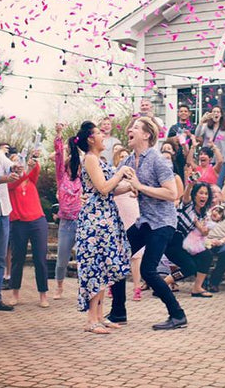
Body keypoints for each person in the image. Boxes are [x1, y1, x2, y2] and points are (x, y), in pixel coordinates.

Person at [108, 117, 187, 330]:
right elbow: (111, 188)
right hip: (143, 221)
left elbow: (172, 193)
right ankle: (118, 313)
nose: (129, 130)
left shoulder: (157, 160)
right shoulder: (127, 161)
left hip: (163, 223)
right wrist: (127, 187)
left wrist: (140, 187)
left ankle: (177, 315)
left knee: (148, 270)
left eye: (135, 128)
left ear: (147, 135)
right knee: (117, 260)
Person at [69, 121, 132, 334]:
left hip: (106, 217)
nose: (103, 136)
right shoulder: (90, 159)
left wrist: (131, 186)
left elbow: (110, 189)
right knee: (95, 267)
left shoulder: (98, 159)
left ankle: (99, 316)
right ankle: (91, 320)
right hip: (95, 220)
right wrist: (121, 171)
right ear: (90, 139)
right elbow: (104, 188)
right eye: (98, 133)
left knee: (104, 267)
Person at [7, 151, 50, 308]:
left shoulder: (31, 179)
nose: (18, 164)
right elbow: (17, 182)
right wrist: (23, 171)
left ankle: (43, 295)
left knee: (40, 258)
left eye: (20, 160)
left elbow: (35, 171)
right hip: (18, 223)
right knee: (18, 259)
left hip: (37, 221)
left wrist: (34, 163)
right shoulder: (10, 182)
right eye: (15, 161)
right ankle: (15, 294)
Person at [163, 181, 214, 297]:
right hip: (172, 243)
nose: (204, 196)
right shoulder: (187, 205)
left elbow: (205, 232)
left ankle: (197, 288)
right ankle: (163, 284)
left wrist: (200, 227)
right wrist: (190, 184)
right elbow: (186, 195)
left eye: (206, 194)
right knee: (189, 267)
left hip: (187, 244)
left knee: (206, 255)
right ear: (195, 195)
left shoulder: (204, 213)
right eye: (201, 193)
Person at [53, 122, 82, 300]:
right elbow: (58, 155)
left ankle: (83, 288)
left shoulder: (83, 179)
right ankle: (59, 287)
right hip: (66, 222)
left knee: (84, 258)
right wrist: (59, 133)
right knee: (62, 258)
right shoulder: (61, 176)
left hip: (82, 221)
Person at [112, 147, 143, 302]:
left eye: (126, 156)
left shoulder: (135, 176)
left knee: (136, 254)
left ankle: (137, 287)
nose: (124, 158)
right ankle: (114, 285)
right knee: (116, 250)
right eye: (121, 156)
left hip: (132, 211)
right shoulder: (112, 174)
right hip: (117, 212)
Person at [0, 148, 20, 311]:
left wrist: (15, 168)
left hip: (3, 212)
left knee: (0, 258)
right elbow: (2, 178)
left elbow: (9, 164)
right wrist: (4, 178)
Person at [195, 106, 225, 187]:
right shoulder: (206, 126)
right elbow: (197, 134)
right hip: (208, 159)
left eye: (218, 112)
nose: (216, 114)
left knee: (218, 184)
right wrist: (202, 121)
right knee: (206, 183)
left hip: (221, 159)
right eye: (214, 112)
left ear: (221, 115)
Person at [167, 104, 196, 180]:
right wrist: (175, 138)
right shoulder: (174, 127)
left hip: (189, 157)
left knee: (188, 178)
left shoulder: (193, 127)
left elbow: (199, 140)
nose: (183, 113)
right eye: (181, 111)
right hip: (176, 156)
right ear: (178, 113)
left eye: (185, 111)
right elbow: (168, 140)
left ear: (189, 113)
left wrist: (190, 135)